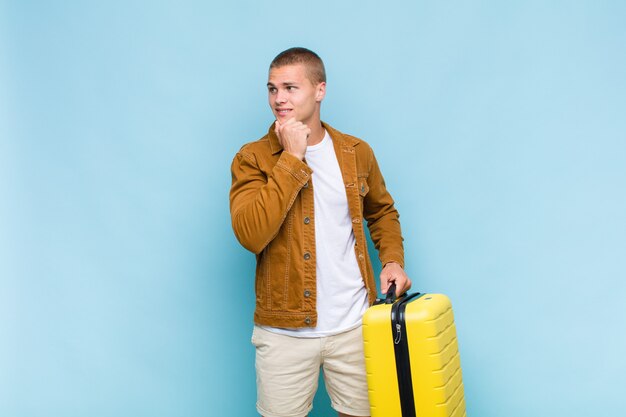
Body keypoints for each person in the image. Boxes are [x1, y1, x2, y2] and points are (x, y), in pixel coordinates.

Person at [229, 47, 411, 417]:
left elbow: (382, 212)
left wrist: (392, 260)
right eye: (272, 88)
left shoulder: (356, 152)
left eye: (290, 88)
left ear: (320, 90)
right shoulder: (253, 158)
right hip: (284, 332)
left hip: (354, 325)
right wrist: (292, 160)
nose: (279, 99)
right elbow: (250, 234)